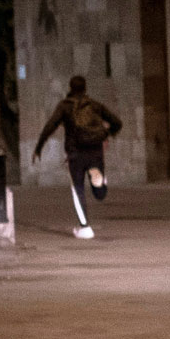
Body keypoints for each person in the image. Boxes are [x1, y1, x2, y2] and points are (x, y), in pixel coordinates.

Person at [33, 75, 123, 239]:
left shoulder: (65, 106)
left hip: (75, 153)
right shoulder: (95, 105)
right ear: (85, 88)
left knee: (78, 189)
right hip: (95, 151)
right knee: (99, 194)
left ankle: (85, 228)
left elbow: (50, 126)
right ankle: (99, 181)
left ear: (70, 88)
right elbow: (117, 122)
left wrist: (39, 147)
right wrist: (106, 134)